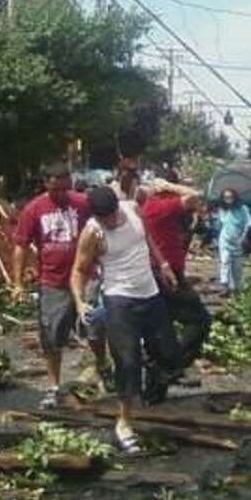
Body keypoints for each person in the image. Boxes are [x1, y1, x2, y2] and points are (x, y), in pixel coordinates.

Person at [70, 186, 180, 453]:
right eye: (104, 217)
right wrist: (80, 302)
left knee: (169, 354)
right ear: (97, 216)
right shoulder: (93, 233)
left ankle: (148, 380)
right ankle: (124, 422)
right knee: (127, 362)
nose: (110, 221)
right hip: (119, 299)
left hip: (149, 293)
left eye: (112, 214)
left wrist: (163, 265)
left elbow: (147, 239)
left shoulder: (132, 209)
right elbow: (79, 269)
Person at [12, 163, 111, 408]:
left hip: (86, 277)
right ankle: (54, 386)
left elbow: (105, 227)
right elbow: (20, 246)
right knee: (52, 336)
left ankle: (103, 365)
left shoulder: (82, 203)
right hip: (53, 283)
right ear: (46, 183)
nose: (61, 194)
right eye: (56, 189)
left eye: (65, 188)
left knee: (94, 327)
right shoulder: (34, 210)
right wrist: (17, 283)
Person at [141, 169, 211, 376]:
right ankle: (172, 366)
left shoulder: (150, 206)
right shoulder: (162, 206)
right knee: (200, 320)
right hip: (167, 274)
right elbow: (197, 195)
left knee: (164, 326)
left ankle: (159, 371)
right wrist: (170, 186)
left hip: (159, 272)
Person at [215, 188, 251, 294]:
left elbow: (248, 223)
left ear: (235, 197)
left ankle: (237, 288)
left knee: (237, 266)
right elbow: (220, 223)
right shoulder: (222, 209)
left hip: (239, 239)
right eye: (226, 197)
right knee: (225, 261)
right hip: (225, 239)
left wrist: (244, 237)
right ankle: (224, 285)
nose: (228, 199)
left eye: (230, 197)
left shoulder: (242, 209)